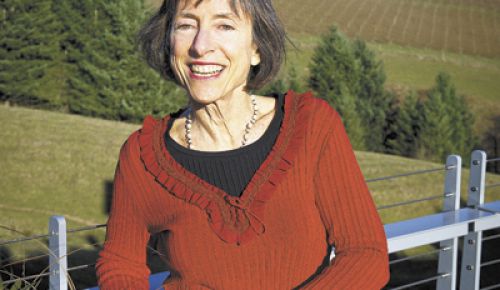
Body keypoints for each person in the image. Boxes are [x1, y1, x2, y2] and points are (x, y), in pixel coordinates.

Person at [96, 0, 390, 289]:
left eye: (224, 25)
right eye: (186, 25)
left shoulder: (312, 127)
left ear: (257, 49)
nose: (200, 46)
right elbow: (121, 262)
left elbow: (364, 252)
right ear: (168, 41)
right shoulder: (141, 157)